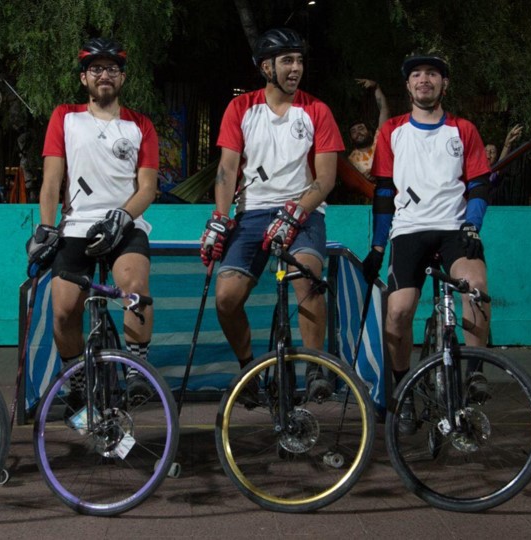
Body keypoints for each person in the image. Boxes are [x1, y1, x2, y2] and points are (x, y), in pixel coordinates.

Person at [198, 27, 343, 403]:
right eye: (287, 61)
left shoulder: (317, 110)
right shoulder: (241, 108)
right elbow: (227, 170)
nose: (296, 68)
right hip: (252, 213)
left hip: (304, 210)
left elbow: (326, 179)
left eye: (299, 61)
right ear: (267, 67)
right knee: (226, 298)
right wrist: (219, 216)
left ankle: (314, 367)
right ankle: (249, 368)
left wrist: (298, 210)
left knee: (306, 277)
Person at [361, 52, 492, 433]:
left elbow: (479, 184)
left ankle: (475, 373)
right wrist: (377, 246)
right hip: (408, 231)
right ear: (408, 85)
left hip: (455, 228)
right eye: (416, 74)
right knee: (398, 312)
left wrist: (473, 225)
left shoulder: (463, 130)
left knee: (477, 289)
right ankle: (402, 391)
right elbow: (384, 193)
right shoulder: (392, 132)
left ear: (444, 84)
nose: (424, 80)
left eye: (432, 74)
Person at [26, 37, 159, 398]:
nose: (104, 75)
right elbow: (51, 181)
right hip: (77, 225)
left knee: (135, 292)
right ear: (84, 78)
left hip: (125, 224)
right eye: (96, 69)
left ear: (122, 78)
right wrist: (46, 226)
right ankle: (77, 379)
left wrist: (121, 217)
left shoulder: (140, 125)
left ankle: (136, 369)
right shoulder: (64, 117)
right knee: (64, 309)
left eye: (112, 69)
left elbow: (147, 188)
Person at [347, 78, 391, 179]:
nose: (358, 132)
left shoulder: (379, 142)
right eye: (353, 131)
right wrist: (363, 179)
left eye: (361, 128)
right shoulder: (350, 160)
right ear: (351, 138)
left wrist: (376, 87)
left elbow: (384, 110)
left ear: (369, 132)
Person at [486, 124, 523, 190]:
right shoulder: (474, 171)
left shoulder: (494, 174)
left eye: (492, 152)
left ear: (496, 156)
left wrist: (507, 145)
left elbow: (500, 164)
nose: (488, 156)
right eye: (486, 151)